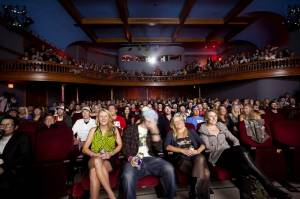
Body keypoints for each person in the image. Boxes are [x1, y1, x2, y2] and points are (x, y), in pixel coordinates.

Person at [199, 110, 291, 199]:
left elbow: (235, 140)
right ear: (206, 118)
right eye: (211, 116)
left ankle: (248, 195)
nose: (214, 118)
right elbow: (208, 147)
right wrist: (228, 148)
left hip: (229, 153)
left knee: (241, 165)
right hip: (216, 156)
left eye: (215, 116)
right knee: (242, 155)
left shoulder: (221, 126)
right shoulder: (203, 129)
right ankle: (269, 187)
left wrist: (234, 148)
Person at [121, 108, 176, 199]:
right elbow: (125, 149)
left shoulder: (153, 131)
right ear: (145, 119)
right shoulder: (130, 129)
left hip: (150, 159)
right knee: (127, 176)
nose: (153, 122)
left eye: (154, 120)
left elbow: (159, 149)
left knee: (169, 168)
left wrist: (155, 132)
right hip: (134, 158)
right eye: (151, 119)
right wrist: (131, 158)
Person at [165, 113, 210, 199]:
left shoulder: (191, 131)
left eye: (180, 120)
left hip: (195, 157)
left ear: (183, 121)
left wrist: (197, 151)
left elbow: (203, 144)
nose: (178, 123)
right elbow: (167, 146)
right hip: (182, 159)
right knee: (206, 173)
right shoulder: (171, 133)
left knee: (200, 157)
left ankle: (194, 194)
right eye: (176, 121)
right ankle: (197, 194)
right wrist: (182, 150)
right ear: (173, 124)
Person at [82, 109, 122, 199]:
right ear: (98, 118)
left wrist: (111, 153)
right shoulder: (93, 130)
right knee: (97, 160)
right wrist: (95, 155)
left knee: (93, 171)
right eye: (101, 116)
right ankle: (111, 194)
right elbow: (84, 149)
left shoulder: (114, 130)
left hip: (108, 159)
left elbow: (120, 145)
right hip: (93, 158)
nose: (103, 118)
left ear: (109, 118)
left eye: (105, 116)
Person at [0, 115, 32, 198]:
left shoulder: (22, 137)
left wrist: (4, 167)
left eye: (8, 125)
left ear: (16, 127)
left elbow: (24, 157)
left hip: (11, 170)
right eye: (2, 125)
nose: (4, 127)